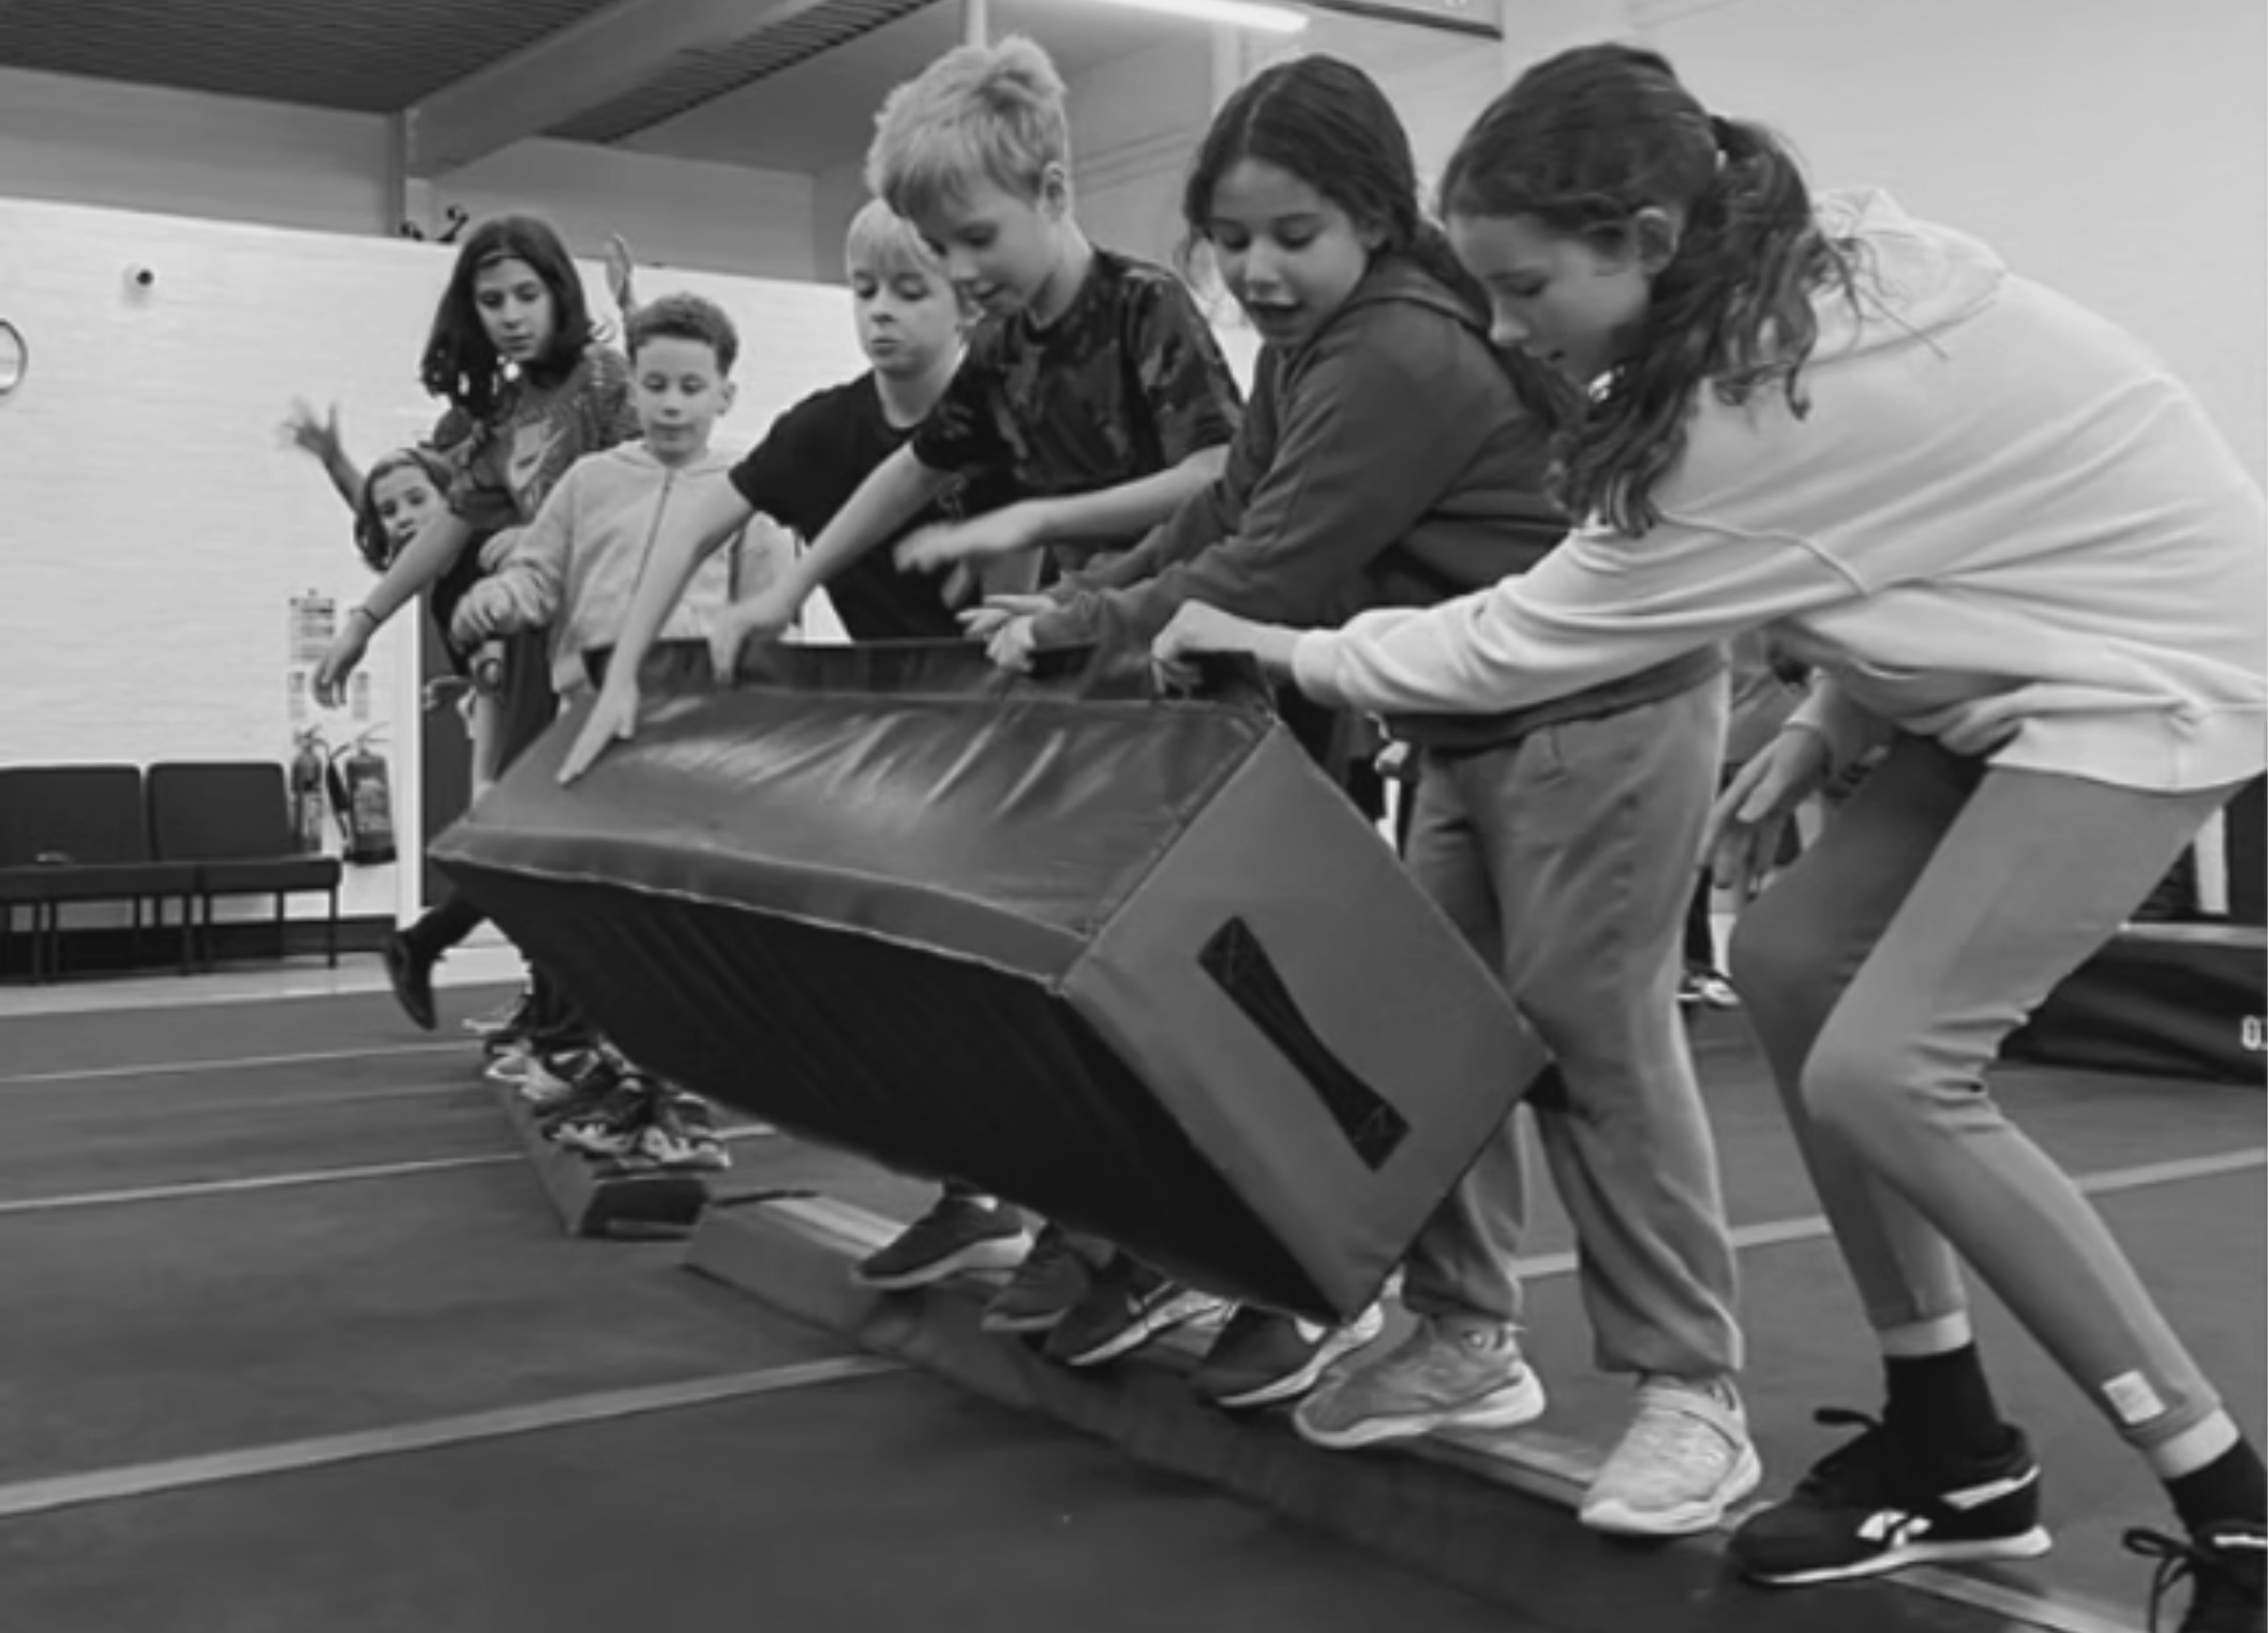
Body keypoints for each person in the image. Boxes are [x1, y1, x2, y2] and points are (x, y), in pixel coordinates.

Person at [1152, 43, 2266, 1630]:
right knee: (1794, 960)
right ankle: (1951, 1441)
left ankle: (2232, 1506)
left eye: (1524, 286)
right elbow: (1973, 517)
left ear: (1647, 242)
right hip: (2026, 665)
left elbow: (1521, 639)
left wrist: (1286, 649)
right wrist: (1833, 714)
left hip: (2159, 682)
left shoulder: (1759, 404)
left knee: (1893, 1072)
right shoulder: (1798, 277)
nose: (1502, 325)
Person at [566, 38, 1247, 1363]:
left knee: (1161, 981)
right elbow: (913, 468)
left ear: (1054, 191)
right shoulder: (1009, 348)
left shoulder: (1141, 307)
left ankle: (1184, 1245)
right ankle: (1089, 1225)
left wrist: (1045, 519)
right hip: (1081, 680)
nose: (962, 271)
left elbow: (1219, 472)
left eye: (970, 243)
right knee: (1053, 981)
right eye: (937, 249)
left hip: (1190, 677)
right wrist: (788, 583)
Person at [557, 199, 1038, 1288]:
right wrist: (623, 670)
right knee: (907, 976)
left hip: (1022, 714)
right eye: (863, 291)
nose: (880, 313)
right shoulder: (827, 432)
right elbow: (696, 523)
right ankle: (975, 1195)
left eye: (909, 290)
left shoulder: (1015, 417)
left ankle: (1086, 1226)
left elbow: (1047, 561)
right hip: (914, 727)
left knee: (1010, 977)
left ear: (968, 301)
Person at [313, 214, 640, 1059]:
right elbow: (446, 528)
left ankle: (583, 1027)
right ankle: (564, 1024)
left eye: (527, 294)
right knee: (536, 835)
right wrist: (364, 621)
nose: (511, 315)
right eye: (492, 301)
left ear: (558, 294)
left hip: (615, 635)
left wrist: (539, 539)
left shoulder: (601, 380)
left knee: (583, 839)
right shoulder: (507, 415)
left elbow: (645, 488)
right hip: (545, 642)